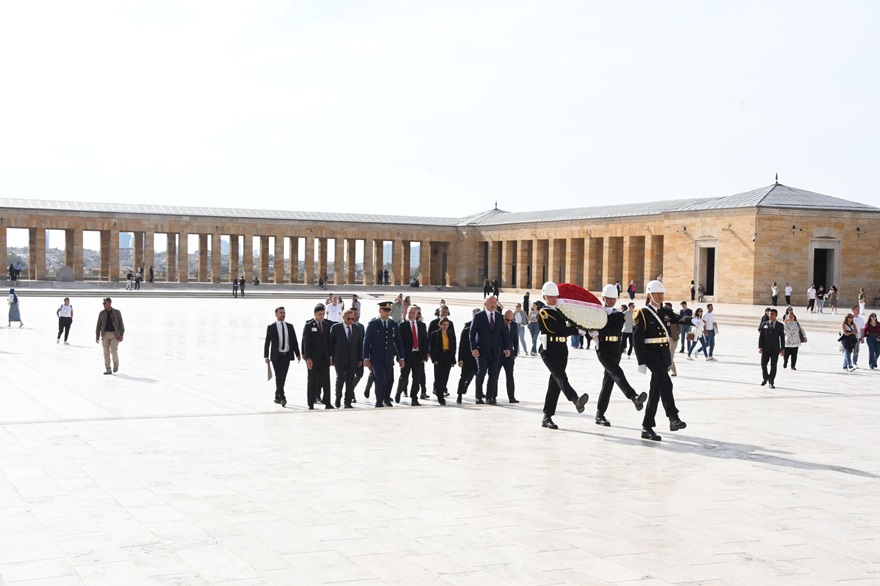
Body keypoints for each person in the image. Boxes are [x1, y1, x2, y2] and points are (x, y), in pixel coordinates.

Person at [633, 280, 691, 441]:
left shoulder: (665, 311)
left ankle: (647, 427)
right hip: (651, 354)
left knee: (655, 391)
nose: (661, 296)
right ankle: (673, 417)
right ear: (650, 295)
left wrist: (693, 320)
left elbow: (678, 318)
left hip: (663, 354)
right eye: (658, 293)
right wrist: (641, 362)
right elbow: (636, 339)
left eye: (662, 293)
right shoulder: (642, 313)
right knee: (666, 382)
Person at [536, 282, 590, 429]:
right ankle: (575, 399)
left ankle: (547, 416)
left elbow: (567, 326)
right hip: (549, 350)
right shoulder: (544, 313)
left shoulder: (561, 311)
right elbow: (558, 329)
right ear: (544, 296)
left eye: (555, 296)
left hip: (561, 349)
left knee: (555, 384)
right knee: (560, 377)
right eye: (550, 296)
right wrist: (575, 330)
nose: (553, 299)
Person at [592, 284, 647, 427]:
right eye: (609, 298)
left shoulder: (618, 315)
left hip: (615, 348)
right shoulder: (596, 313)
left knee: (608, 382)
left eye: (613, 298)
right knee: (617, 372)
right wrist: (588, 331)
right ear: (603, 298)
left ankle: (600, 414)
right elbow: (592, 328)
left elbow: (613, 329)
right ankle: (633, 397)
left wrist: (597, 329)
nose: (611, 301)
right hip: (602, 348)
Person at [469, 295, 510, 405]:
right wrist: (473, 348)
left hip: (495, 351)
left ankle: (490, 397)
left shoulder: (499, 317)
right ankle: (478, 397)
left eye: (495, 302)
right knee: (481, 372)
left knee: (493, 375)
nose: (493, 304)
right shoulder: (478, 316)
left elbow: (504, 334)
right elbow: (472, 333)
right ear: (485, 304)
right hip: (481, 350)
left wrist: (507, 348)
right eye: (491, 302)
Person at [363, 301, 405, 407]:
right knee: (380, 378)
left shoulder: (393, 324)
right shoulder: (373, 324)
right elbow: (367, 341)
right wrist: (365, 357)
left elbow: (398, 342)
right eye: (385, 310)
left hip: (388, 357)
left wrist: (402, 358)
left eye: (388, 310)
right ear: (380, 311)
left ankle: (385, 398)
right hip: (376, 357)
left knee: (388, 379)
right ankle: (379, 401)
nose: (387, 312)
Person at [264, 306, 301, 407]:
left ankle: (277, 395)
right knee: (278, 376)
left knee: (283, 377)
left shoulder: (289, 326)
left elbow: (294, 341)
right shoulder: (271, 327)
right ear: (276, 314)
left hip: (287, 355)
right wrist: (266, 356)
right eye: (280, 313)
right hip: (276, 356)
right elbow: (267, 342)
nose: (282, 314)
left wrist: (298, 353)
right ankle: (282, 397)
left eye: (284, 312)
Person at [302, 303, 334, 409]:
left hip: (324, 358)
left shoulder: (326, 325)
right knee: (312, 380)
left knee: (326, 380)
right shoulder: (309, 325)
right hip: (313, 358)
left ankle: (328, 402)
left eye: (323, 314)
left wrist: (330, 356)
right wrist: (308, 358)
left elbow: (329, 342)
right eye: (319, 314)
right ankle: (310, 403)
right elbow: (306, 343)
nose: (321, 316)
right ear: (315, 314)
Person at [329, 310, 363, 408]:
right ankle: (338, 398)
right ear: (343, 318)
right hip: (339, 359)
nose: (350, 321)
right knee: (341, 378)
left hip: (352, 359)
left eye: (352, 319)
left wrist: (360, 358)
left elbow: (359, 344)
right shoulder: (336, 328)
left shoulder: (357, 329)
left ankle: (347, 402)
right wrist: (331, 357)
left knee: (350, 380)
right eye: (348, 319)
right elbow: (331, 344)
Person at [395, 305, 428, 406]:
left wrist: (424, 356)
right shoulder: (402, 326)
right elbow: (398, 343)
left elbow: (425, 341)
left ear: (417, 314)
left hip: (418, 355)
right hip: (406, 356)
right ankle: (399, 391)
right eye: (409, 312)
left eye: (413, 313)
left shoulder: (422, 325)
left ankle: (414, 398)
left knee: (416, 378)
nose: (411, 314)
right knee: (404, 376)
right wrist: (400, 357)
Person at [429, 317, 456, 405]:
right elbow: (432, 347)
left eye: (447, 325)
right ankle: (440, 396)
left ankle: (440, 390)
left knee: (445, 376)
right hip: (439, 357)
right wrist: (434, 359)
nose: (445, 326)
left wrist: (453, 360)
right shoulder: (435, 334)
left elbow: (454, 347)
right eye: (444, 324)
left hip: (447, 356)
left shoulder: (451, 334)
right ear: (440, 325)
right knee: (439, 376)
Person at [455, 309, 480, 403]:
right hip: (467, 357)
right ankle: (460, 394)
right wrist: (460, 359)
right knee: (464, 376)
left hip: (478, 357)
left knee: (479, 376)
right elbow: (461, 346)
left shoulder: (482, 329)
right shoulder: (466, 330)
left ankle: (479, 395)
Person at [95, 297, 124, 375]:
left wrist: (121, 334)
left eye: (105, 303)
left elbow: (121, 323)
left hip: (115, 334)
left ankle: (116, 364)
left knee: (114, 351)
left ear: (109, 303)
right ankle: (108, 369)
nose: (104, 305)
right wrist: (97, 336)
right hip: (105, 335)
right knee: (106, 353)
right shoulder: (101, 313)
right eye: (103, 303)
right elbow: (98, 325)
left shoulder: (117, 312)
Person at [758, 308, 785, 388]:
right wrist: (760, 347)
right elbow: (761, 337)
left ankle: (771, 381)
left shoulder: (780, 325)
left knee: (773, 365)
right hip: (765, 348)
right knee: (763, 364)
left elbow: (782, 338)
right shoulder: (764, 324)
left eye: (772, 314)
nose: (770, 315)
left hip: (775, 349)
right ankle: (765, 378)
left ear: (776, 315)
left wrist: (782, 349)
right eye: (769, 314)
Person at [500, 310, 520, 403]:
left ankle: (511, 397)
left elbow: (516, 339)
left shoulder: (514, 325)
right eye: (507, 320)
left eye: (510, 320)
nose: (509, 322)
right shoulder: (499, 324)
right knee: (494, 375)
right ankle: (492, 396)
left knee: (510, 376)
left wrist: (515, 352)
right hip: (499, 354)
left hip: (510, 355)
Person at [664, 302, 681, 376]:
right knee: (666, 354)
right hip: (665, 338)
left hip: (673, 338)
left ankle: (670, 369)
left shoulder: (676, 317)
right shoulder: (662, 317)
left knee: (671, 355)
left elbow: (680, 328)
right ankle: (671, 369)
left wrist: (676, 334)